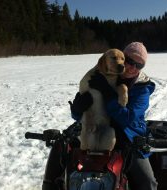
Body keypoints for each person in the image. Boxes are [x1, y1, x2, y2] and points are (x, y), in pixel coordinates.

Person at [42, 42, 157, 190]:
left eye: (139, 65)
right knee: (62, 160)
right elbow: (84, 112)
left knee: (147, 182)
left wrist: (108, 93)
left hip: (128, 136)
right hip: (95, 127)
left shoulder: (142, 89)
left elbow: (126, 119)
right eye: (129, 61)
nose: (132, 67)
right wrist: (77, 108)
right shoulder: (102, 76)